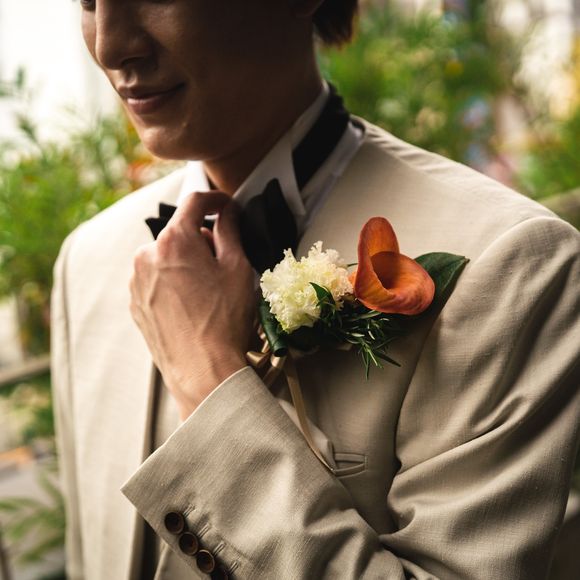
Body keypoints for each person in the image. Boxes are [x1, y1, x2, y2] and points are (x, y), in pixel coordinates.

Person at [51, 1, 579, 579]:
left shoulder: (512, 264)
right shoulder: (86, 261)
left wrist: (206, 379)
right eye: (87, 1)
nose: (109, 46)